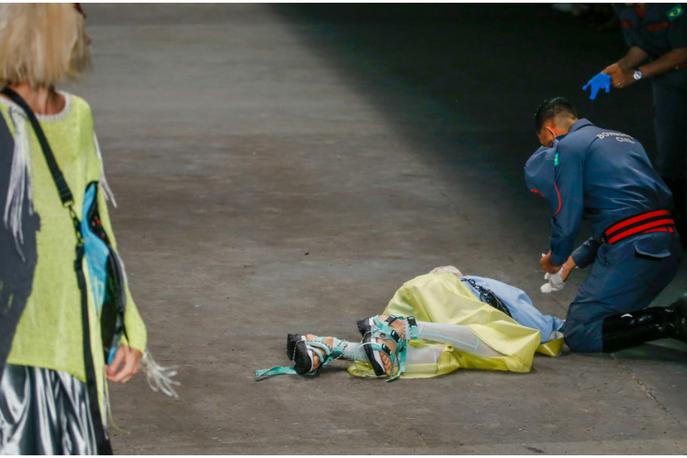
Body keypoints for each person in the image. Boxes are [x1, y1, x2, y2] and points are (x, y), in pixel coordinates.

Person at [0, 5, 176, 454]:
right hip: (14, 355)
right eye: (76, 20)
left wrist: (127, 327)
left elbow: (96, 231)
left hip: (74, 351)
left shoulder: (77, 117)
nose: (86, 36)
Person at [525, 96, 687, 354]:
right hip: (665, 244)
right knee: (602, 322)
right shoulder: (624, 140)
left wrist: (556, 257)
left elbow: (565, 211)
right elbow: (627, 217)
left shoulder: (566, 147)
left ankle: (672, 319)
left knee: (580, 332)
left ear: (550, 131)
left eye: (547, 144)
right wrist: (571, 262)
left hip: (634, 251)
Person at [256, 266, 565, 381]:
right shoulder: (515, 303)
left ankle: (327, 346)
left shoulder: (460, 282)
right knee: (514, 347)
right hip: (444, 296)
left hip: (421, 292)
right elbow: (545, 334)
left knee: (437, 356)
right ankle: (406, 328)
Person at [601, 4, 687, 241]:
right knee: (670, 157)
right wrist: (621, 66)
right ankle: (675, 223)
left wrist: (637, 74)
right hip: (669, 83)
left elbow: (682, 50)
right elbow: (643, 45)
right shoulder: (623, 8)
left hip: (676, 69)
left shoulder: (674, 7)